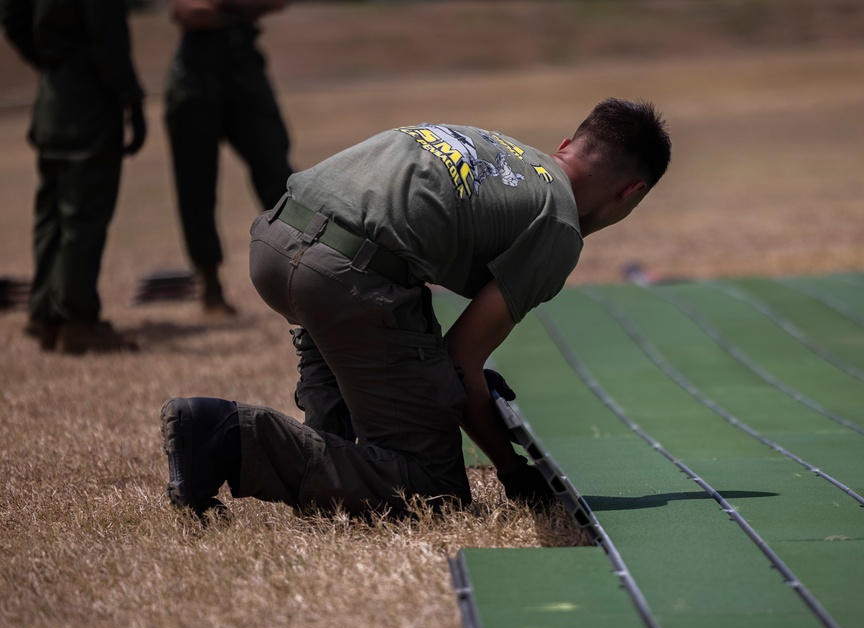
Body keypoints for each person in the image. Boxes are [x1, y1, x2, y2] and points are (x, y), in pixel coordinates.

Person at [160, 98, 672, 520]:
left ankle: (322, 468)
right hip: (345, 276)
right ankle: (224, 433)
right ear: (632, 192)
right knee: (432, 493)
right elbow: (460, 361)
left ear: (566, 146)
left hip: (275, 239)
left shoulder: (503, 150)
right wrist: (512, 470)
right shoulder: (559, 223)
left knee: (382, 338)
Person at [1, 0, 146, 353]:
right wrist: (130, 95)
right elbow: (106, 33)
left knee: (51, 210)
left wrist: (52, 59)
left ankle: (45, 313)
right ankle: (77, 321)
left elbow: (11, 14)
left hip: (52, 96)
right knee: (84, 211)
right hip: (90, 99)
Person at [164, 0, 293, 316]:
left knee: (278, 175)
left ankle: (301, 269)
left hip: (244, 69)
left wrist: (220, 8)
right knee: (196, 187)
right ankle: (210, 284)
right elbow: (189, 12)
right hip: (194, 77)